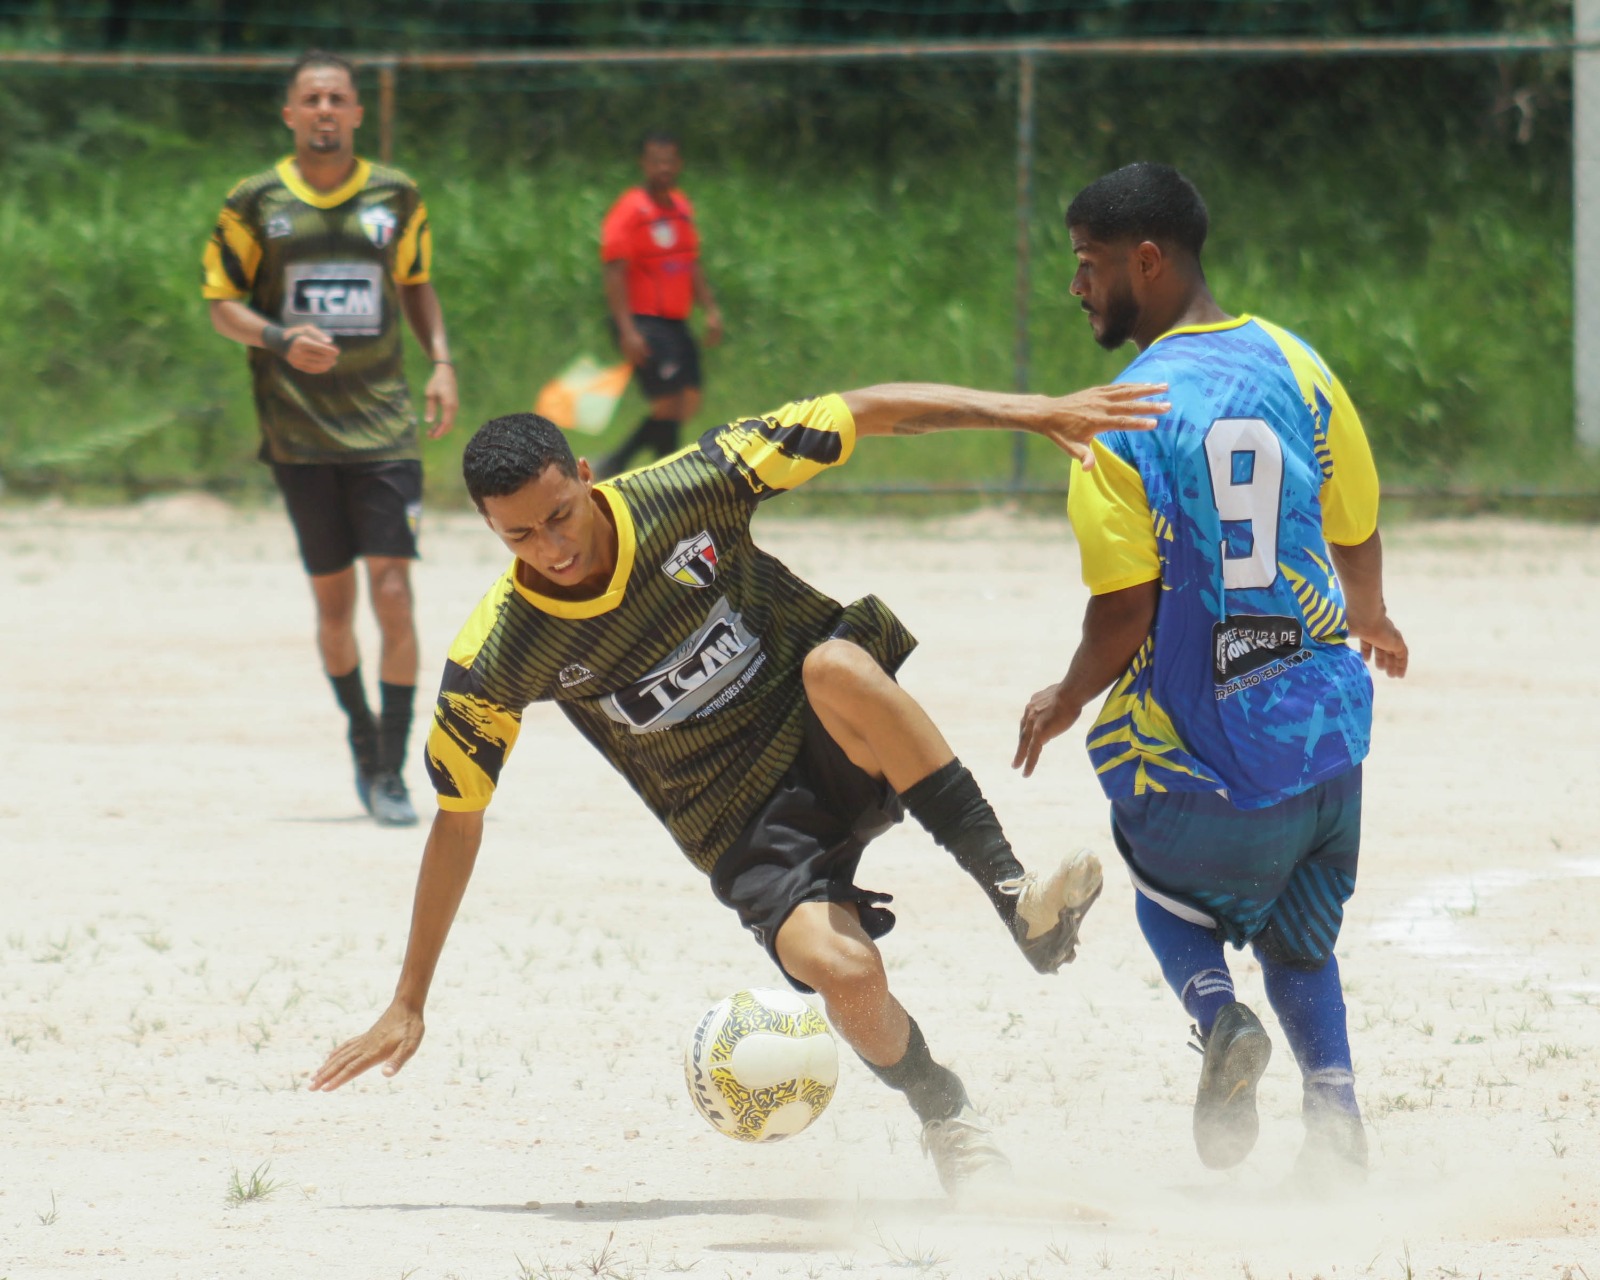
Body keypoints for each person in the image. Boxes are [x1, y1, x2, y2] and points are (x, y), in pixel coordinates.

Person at [310, 379, 1168, 1195]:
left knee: (837, 663)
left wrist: (1028, 413)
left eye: (559, 517)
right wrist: (407, 1000)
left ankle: (1016, 899)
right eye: (519, 537)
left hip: (823, 732)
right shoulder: (498, 655)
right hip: (742, 828)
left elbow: (864, 414)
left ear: (584, 475)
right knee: (845, 973)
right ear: (490, 529)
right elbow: (458, 824)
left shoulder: (691, 486)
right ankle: (946, 1115)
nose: (553, 548)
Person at [1012, 163, 1408, 1187]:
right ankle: (1335, 1117)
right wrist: (1367, 617)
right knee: (1297, 931)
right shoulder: (1296, 359)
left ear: (1147, 259)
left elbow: (1124, 607)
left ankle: (1213, 1012)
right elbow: (1355, 520)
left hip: (1220, 755)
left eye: (1088, 265)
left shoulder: (1116, 414)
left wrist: (1065, 692)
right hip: (1329, 743)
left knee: (1150, 855)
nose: (1079, 287)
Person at [202, 50, 459, 828]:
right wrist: (280, 338)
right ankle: (360, 736)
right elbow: (221, 303)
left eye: (336, 98)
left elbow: (415, 284)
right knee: (335, 600)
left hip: (385, 426)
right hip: (299, 433)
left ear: (355, 113)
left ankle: (393, 762)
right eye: (310, 98)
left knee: (393, 588)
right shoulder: (254, 202)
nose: (323, 109)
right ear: (289, 113)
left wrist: (441, 362)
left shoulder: (395, 195)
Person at [597, 131, 722, 476]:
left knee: (688, 400)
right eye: (656, 161)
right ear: (644, 164)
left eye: (669, 161)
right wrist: (627, 330)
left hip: (675, 321)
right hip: (643, 320)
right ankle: (664, 476)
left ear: (678, 164)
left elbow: (691, 263)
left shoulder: (681, 207)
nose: (663, 168)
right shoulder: (630, 210)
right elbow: (613, 272)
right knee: (668, 401)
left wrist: (710, 309)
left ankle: (623, 463)